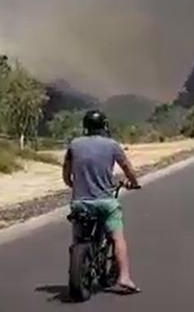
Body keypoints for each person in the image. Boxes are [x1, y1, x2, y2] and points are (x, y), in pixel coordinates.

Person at [63, 109, 141, 295]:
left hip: (80, 202)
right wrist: (134, 183)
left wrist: (73, 184)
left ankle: (77, 261)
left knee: (78, 237)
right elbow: (127, 168)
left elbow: (66, 173)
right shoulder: (112, 145)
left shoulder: (74, 145)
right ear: (104, 126)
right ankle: (124, 276)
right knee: (117, 236)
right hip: (105, 201)